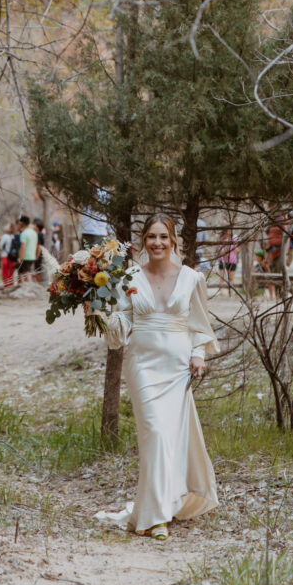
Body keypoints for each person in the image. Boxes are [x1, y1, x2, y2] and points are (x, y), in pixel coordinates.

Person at [99, 214, 219, 540]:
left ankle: (163, 506)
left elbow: (199, 324)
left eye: (163, 237)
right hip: (142, 364)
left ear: (173, 241)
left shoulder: (191, 278)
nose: (157, 243)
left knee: (170, 438)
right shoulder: (130, 277)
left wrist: (199, 354)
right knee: (153, 432)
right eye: (151, 237)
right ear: (143, 243)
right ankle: (155, 517)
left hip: (178, 366)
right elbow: (121, 327)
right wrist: (98, 314)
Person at [82, 181, 110, 248]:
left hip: (99, 232)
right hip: (87, 230)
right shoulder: (86, 188)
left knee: (98, 255)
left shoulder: (104, 192)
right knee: (86, 255)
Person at [17, 215, 38, 283]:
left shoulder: (24, 233)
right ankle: (23, 288)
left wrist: (20, 257)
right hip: (32, 256)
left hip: (26, 256)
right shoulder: (34, 233)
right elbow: (36, 244)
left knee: (26, 273)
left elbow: (23, 246)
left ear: (22, 223)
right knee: (22, 272)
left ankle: (30, 287)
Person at [0, 222, 16, 288]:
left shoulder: (5, 236)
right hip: (12, 257)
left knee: (5, 273)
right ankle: (11, 286)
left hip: (5, 256)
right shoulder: (13, 236)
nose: (5, 226)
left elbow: (0, 247)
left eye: (7, 225)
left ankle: (7, 287)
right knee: (10, 273)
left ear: (10, 229)